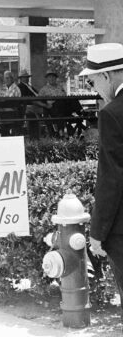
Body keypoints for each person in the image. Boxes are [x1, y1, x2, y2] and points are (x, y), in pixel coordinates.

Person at [81, 43, 123, 320]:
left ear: (106, 76)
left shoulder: (112, 114)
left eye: (93, 80)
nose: (94, 87)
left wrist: (97, 232)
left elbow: (111, 179)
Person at [17, 70, 48, 140]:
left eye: (27, 77)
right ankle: (34, 138)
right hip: (30, 107)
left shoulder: (29, 86)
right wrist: (42, 103)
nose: (27, 78)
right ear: (21, 78)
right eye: (25, 77)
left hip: (37, 105)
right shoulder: (21, 86)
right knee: (33, 119)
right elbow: (28, 99)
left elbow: (37, 94)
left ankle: (41, 135)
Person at [38, 71, 67, 137]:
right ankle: (60, 132)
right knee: (58, 105)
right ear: (47, 79)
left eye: (53, 77)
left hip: (62, 108)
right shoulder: (43, 89)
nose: (51, 79)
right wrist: (46, 105)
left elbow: (65, 97)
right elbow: (38, 101)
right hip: (51, 109)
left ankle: (81, 113)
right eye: (49, 77)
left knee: (72, 100)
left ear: (56, 78)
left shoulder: (60, 87)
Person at [0, 70, 21, 136]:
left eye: (8, 78)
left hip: (13, 113)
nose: (6, 80)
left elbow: (10, 102)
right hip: (7, 112)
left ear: (12, 79)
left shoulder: (15, 88)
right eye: (5, 78)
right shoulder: (7, 88)